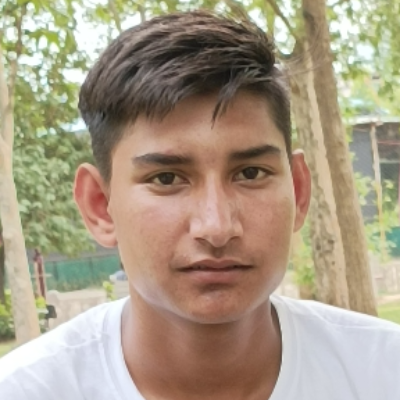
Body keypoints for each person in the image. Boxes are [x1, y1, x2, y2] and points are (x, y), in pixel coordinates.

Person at [0, 10, 399, 400]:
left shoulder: (384, 372)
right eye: (166, 179)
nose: (216, 227)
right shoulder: (25, 389)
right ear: (100, 206)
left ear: (297, 190)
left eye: (250, 173)